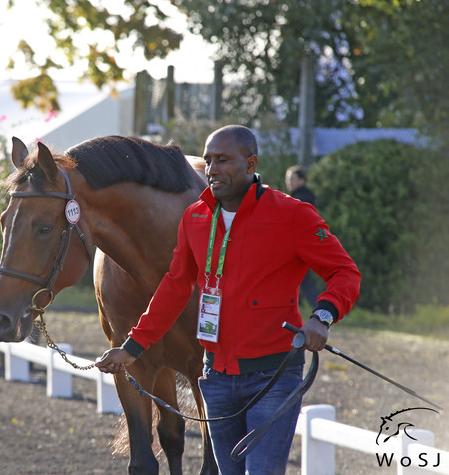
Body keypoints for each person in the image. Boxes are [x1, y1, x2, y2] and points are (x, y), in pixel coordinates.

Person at [95, 125, 360, 475]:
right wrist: (132, 347)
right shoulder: (195, 218)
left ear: (251, 164)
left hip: (273, 378)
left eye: (223, 160)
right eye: (207, 161)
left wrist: (322, 316)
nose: (212, 169)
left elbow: (345, 272)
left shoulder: (293, 214)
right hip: (216, 380)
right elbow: (174, 288)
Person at [285, 165, 320, 306]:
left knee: (304, 280)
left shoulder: (302, 198)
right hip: (301, 243)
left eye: (292, 178)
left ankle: (320, 308)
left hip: (299, 244)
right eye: (287, 179)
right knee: (300, 279)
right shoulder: (297, 197)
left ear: (302, 180)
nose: (289, 182)